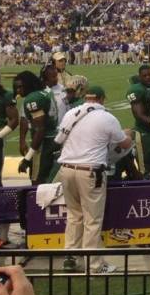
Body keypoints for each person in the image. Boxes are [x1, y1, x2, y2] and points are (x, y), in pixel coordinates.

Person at [55, 85, 133, 273]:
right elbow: (123, 143)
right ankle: (94, 265)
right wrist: (129, 135)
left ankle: (71, 257)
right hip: (90, 171)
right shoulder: (106, 117)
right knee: (92, 220)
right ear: (102, 98)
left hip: (66, 168)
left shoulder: (72, 113)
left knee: (74, 216)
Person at [12, 71, 60, 185]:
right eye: (16, 87)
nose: (18, 90)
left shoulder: (34, 98)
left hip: (44, 144)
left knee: (37, 181)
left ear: (29, 84)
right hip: (53, 139)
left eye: (20, 87)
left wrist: (27, 158)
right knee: (49, 179)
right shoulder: (44, 92)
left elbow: (40, 129)